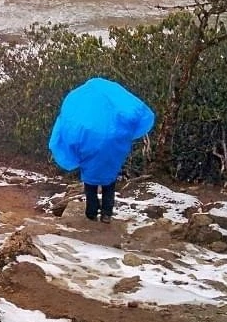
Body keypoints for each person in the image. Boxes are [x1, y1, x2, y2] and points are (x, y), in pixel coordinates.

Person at [48, 78, 155, 223]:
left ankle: (92, 212)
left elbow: (70, 124)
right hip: (112, 149)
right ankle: (106, 213)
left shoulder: (82, 102)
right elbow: (129, 112)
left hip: (88, 148)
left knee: (90, 184)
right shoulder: (112, 100)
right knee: (109, 183)